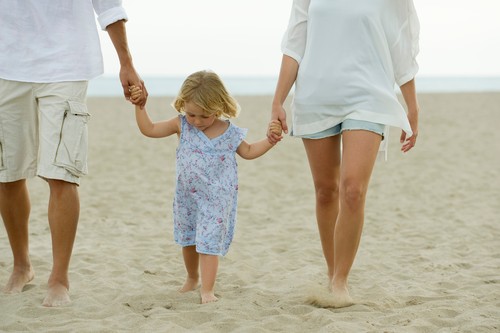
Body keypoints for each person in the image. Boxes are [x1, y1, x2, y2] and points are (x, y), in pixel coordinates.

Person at [268, 0, 420, 307]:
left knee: (353, 190)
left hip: (369, 94)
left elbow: (401, 45)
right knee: (326, 191)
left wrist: (412, 105)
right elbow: (295, 43)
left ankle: (340, 281)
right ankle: (331, 270)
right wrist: (278, 100)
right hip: (316, 94)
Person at [0, 0, 147, 307]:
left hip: (66, 63)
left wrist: (126, 61)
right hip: (6, 64)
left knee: (61, 172)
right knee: (7, 175)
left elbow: (108, 6)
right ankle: (22, 265)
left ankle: (59, 278)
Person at [129, 70, 282, 304]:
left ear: (218, 107)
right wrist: (140, 106)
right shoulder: (181, 125)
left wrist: (270, 141)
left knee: (209, 242)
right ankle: (192, 278)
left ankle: (207, 290)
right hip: (187, 197)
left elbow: (249, 151)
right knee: (189, 239)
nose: (197, 121)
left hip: (217, 199)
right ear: (182, 106)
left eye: (204, 116)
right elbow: (149, 129)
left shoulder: (229, 133)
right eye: (191, 114)